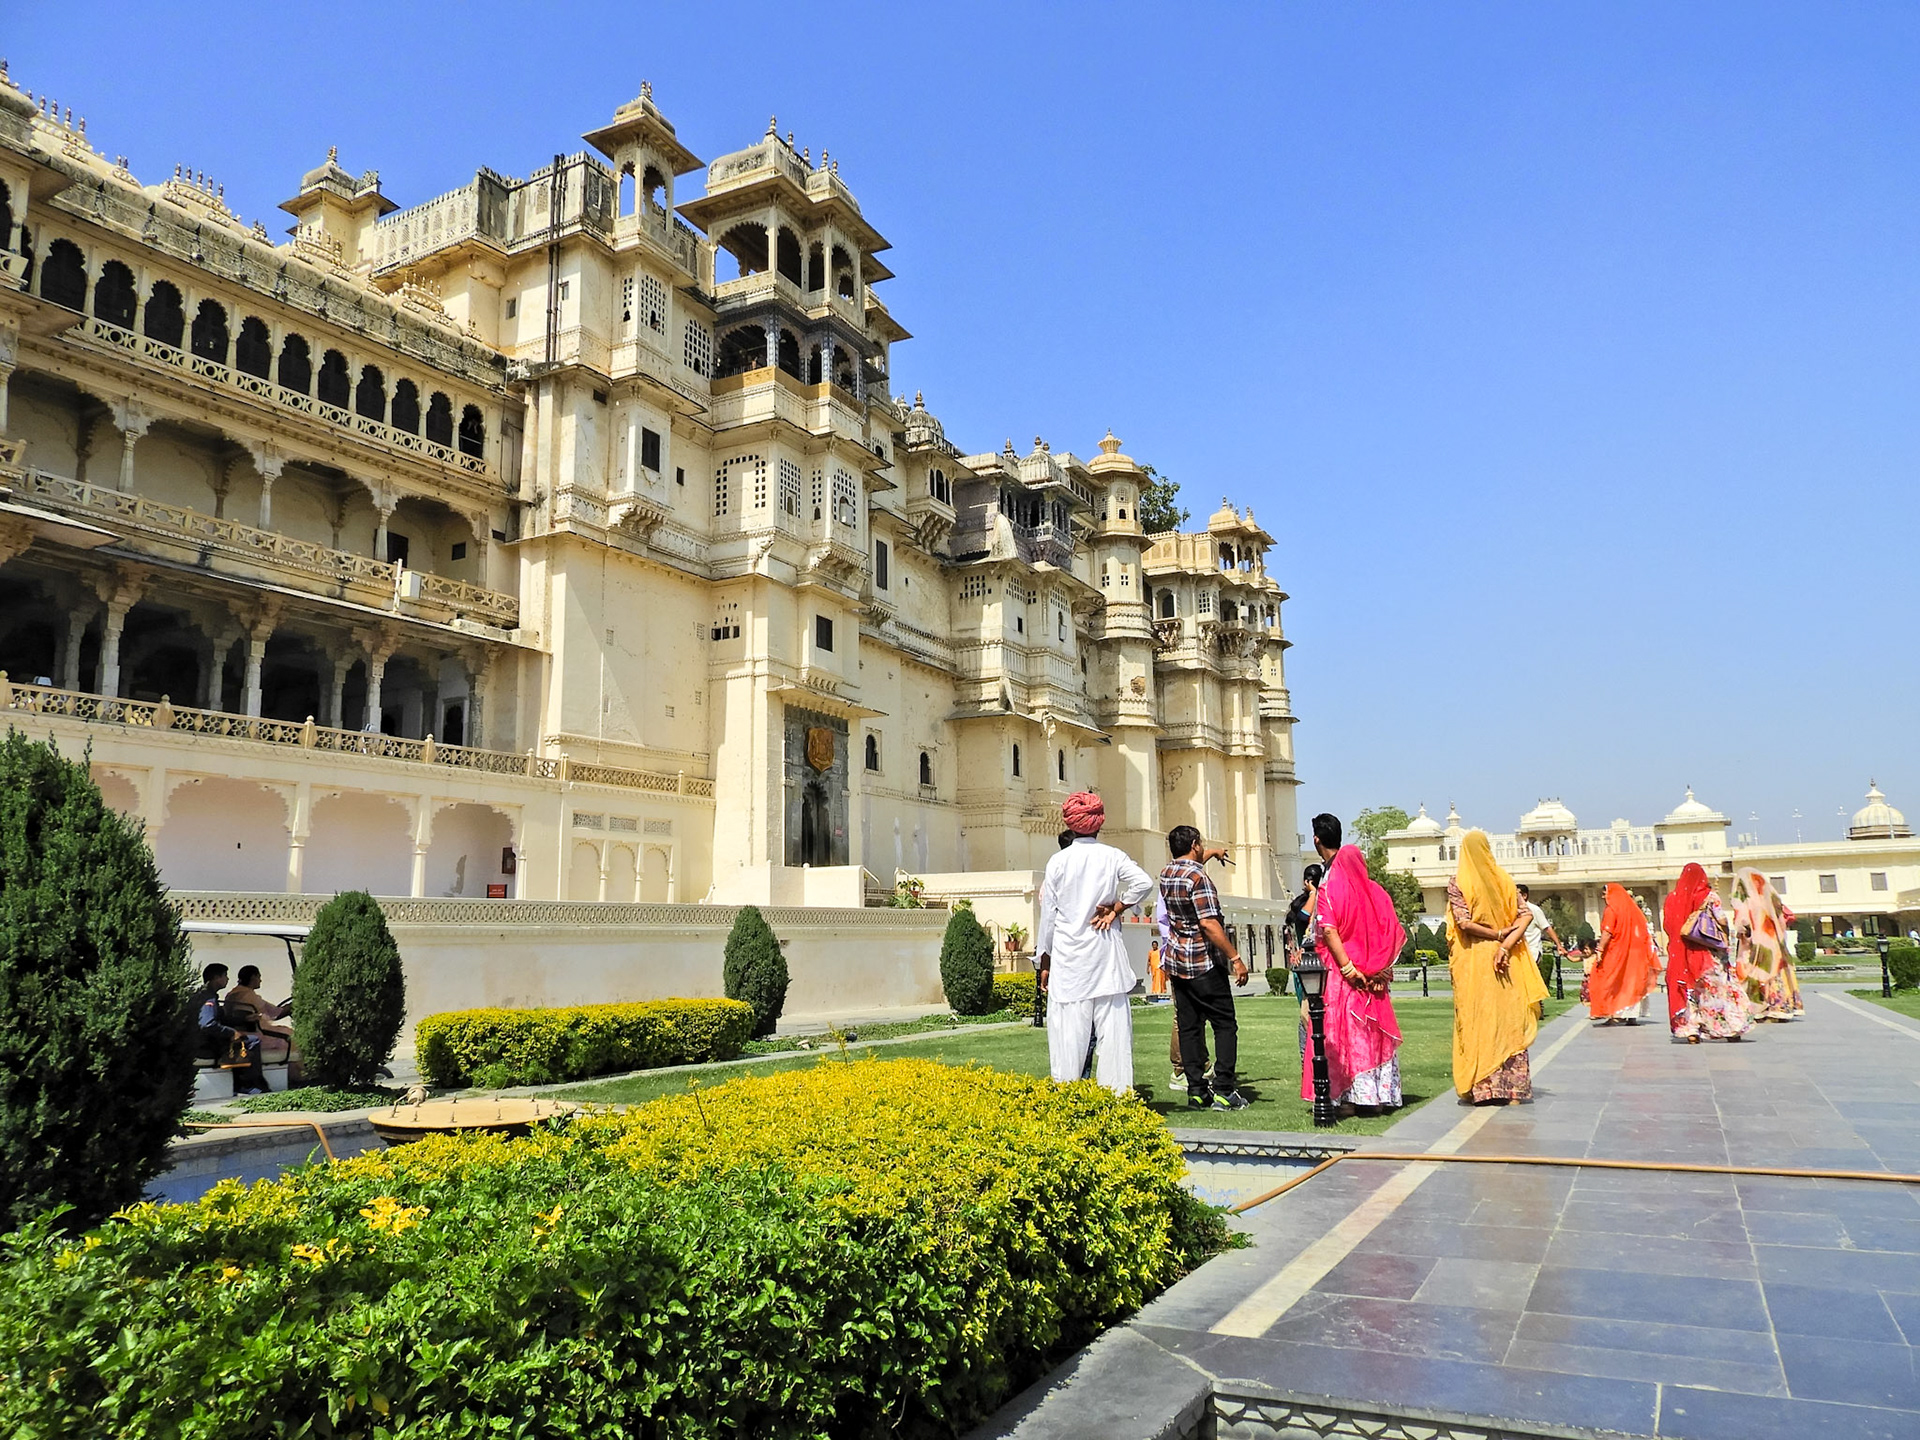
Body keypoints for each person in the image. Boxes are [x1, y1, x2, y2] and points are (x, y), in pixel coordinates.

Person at [1035, 791, 1153, 1096]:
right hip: (1105, 957)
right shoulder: (1112, 856)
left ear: (1070, 824)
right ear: (1099, 823)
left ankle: (1068, 1098)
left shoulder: (1058, 862)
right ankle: (1117, 1100)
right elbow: (1143, 883)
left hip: (1069, 960)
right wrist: (1117, 907)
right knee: (1114, 1036)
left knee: (1068, 1037)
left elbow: (1049, 918)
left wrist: (1044, 961)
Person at [1446, 830, 1550, 1103]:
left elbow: (1463, 923)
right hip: (1507, 960)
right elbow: (1525, 916)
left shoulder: (1459, 882)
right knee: (1510, 1020)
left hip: (1475, 960)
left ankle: (1483, 1090)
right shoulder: (1505, 880)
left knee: (1478, 1019)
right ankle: (1514, 1092)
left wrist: (1496, 936)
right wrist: (1505, 945)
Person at [1308, 834, 1406, 1115]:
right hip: (1374, 981)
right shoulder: (1378, 893)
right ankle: (1377, 1098)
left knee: (1345, 1036)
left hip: (1343, 978)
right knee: (1373, 1035)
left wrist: (1349, 969)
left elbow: (1328, 931)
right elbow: (1393, 932)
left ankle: (1348, 1100)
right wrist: (1381, 970)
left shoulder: (1330, 891)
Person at [1158, 824, 1250, 1110]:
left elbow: (1189, 864)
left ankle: (1197, 1090)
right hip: (1203, 961)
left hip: (1177, 961)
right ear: (1194, 844)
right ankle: (1224, 1089)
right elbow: (1209, 923)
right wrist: (1235, 958)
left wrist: (1212, 852)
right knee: (1224, 1024)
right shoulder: (1199, 878)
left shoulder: (1166, 873)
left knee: (1189, 1027)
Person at [1662, 862, 1750, 1042]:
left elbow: (1668, 925)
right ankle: (1729, 1028)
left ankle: (1690, 1030)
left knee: (1690, 991)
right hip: (1708, 953)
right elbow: (1721, 919)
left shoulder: (1672, 899)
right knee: (1720, 991)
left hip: (1682, 953)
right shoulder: (1709, 896)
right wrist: (1724, 937)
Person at [1732, 868, 1803, 1022]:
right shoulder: (1771, 896)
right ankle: (1780, 1007)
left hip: (1755, 945)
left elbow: (1742, 923)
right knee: (1776, 972)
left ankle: (1757, 1008)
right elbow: (1782, 919)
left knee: (1754, 973)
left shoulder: (1746, 900)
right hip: (1774, 942)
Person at [188, 963, 268, 1095]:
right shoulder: (208, 998)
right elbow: (207, 1024)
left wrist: (244, 1019)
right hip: (206, 1045)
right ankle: (247, 1085)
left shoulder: (206, 994)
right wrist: (231, 1033)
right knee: (253, 1041)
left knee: (244, 1040)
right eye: (225, 976)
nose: (227, 979)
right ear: (216, 978)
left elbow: (220, 1019)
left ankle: (242, 1083)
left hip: (205, 1041)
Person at [1589, 883, 1659, 1025]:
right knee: (1633, 982)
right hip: (1636, 953)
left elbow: (1607, 932)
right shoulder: (1634, 910)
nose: (1603, 897)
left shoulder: (1611, 910)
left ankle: (1615, 1014)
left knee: (1613, 981)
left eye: (1605, 893)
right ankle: (1632, 1016)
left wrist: (1600, 949)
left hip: (1617, 952)